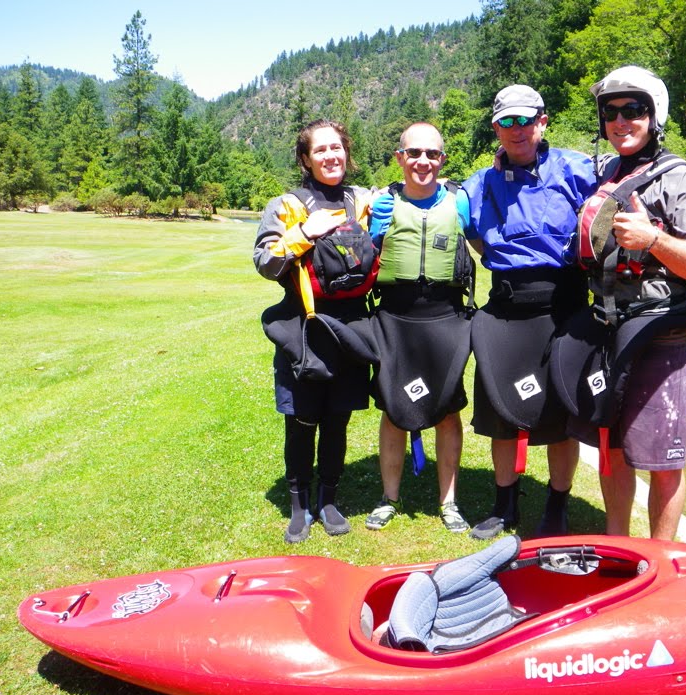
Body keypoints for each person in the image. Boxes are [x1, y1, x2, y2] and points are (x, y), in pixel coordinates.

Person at [570, 66, 686, 539]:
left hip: (662, 334)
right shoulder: (606, 174)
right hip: (610, 330)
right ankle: (617, 546)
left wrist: (653, 238)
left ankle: (661, 558)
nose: (620, 121)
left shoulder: (683, 179)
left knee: (663, 462)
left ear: (654, 117)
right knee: (611, 448)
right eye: (610, 112)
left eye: (633, 110)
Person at [459, 85, 598, 539]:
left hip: (564, 308)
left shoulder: (577, 169)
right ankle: (505, 506)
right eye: (507, 121)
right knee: (502, 415)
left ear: (543, 121)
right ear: (496, 127)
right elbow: (466, 229)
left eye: (525, 120)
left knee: (562, 417)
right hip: (505, 309)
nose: (516, 129)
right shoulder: (480, 183)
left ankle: (557, 506)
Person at [254, 119, 376, 542]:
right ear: (306, 159)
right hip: (303, 328)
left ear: (346, 151)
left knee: (338, 419)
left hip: (351, 326)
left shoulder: (362, 201)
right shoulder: (286, 206)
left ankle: (328, 499)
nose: (330, 156)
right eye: (320, 150)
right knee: (302, 420)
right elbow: (265, 262)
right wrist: (304, 233)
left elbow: (406, 198)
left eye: (336, 147)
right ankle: (299, 503)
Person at [364, 122, 474, 533]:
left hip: (446, 316)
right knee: (394, 410)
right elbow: (359, 256)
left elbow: (487, 242)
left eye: (431, 154)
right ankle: (389, 498)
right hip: (395, 317)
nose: (422, 161)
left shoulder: (461, 202)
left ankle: (450, 502)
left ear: (442, 159)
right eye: (414, 153)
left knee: (447, 410)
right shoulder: (382, 204)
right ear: (400, 157)